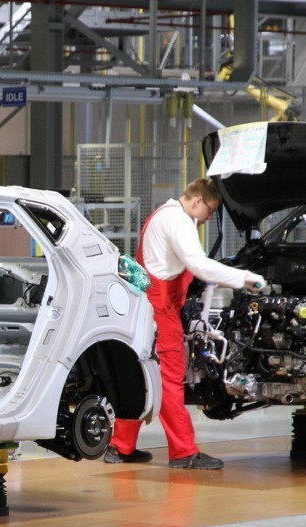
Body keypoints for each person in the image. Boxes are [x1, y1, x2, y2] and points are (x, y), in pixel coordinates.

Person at [106, 178, 266, 470]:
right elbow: (198, 264)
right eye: (210, 210)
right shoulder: (178, 221)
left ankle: (120, 446)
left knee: (140, 376)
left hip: (148, 306)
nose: (208, 218)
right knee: (168, 378)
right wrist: (243, 278)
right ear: (197, 201)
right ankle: (183, 452)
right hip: (161, 309)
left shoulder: (163, 214)